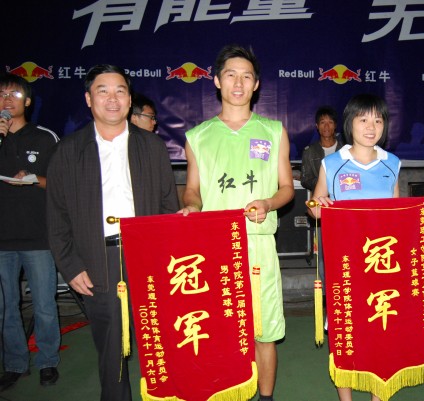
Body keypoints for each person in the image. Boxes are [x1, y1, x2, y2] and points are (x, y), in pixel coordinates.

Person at [46, 64, 179, 401]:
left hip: (147, 257)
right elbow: (57, 216)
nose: (112, 98)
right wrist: (70, 266)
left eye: (120, 91)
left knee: (159, 340)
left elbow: (168, 207)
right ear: (89, 99)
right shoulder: (69, 151)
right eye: (102, 91)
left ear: (129, 99)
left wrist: (169, 259)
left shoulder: (151, 146)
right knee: (111, 349)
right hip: (97, 259)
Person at [180, 45, 294, 401]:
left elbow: (287, 188)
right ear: (217, 81)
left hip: (259, 246)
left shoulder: (274, 131)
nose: (239, 83)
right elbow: (192, 190)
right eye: (231, 75)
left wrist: (268, 203)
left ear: (256, 84)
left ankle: (266, 397)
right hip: (215, 249)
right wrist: (191, 207)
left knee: (264, 332)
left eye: (247, 76)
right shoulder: (198, 137)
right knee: (220, 331)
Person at [307, 93, 424, 401]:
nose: (371, 127)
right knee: (345, 331)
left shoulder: (391, 163)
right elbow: (314, 208)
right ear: (349, 123)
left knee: (381, 330)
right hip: (346, 267)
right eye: (363, 119)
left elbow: (396, 212)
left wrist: (419, 211)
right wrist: (319, 205)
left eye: (378, 120)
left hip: (382, 268)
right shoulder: (332, 164)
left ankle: (379, 395)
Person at [0, 73, 61, 390]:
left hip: (37, 236)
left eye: (14, 94)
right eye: (1, 94)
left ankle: (48, 361)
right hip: (1, 239)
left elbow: (62, 185)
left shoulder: (44, 137)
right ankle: (14, 363)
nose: (6, 100)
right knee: (5, 307)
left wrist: (34, 178)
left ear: (27, 101)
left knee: (44, 305)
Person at [300, 105, 343, 283]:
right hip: (321, 208)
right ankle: (326, 291)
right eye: (322, 122)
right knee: (324, 252)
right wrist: (324, 186)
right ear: (317, 126)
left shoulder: (346, 150)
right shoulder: (310, 151)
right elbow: (305, 179)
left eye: (330, 122)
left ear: (335, 126)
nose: (326, 126)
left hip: (344, 207)